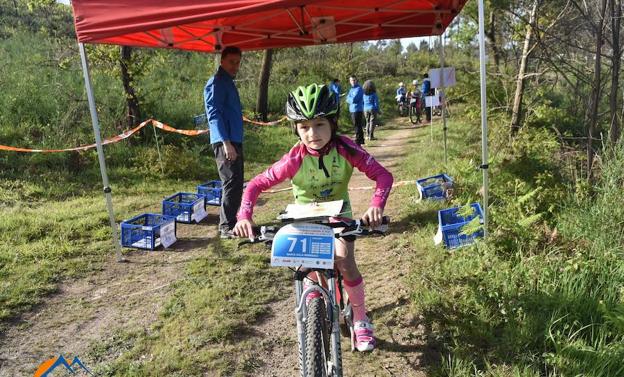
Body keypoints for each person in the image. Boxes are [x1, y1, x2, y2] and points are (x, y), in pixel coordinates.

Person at [233, 83, 394, 352]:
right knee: (309, 273)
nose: (312, 133)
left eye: (319, 124)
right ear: (295, 128)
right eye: (304, 126)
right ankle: (315, 310)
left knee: (345, 260)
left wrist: (376, 205)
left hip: (338, 215)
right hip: (303, 218)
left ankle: (360, 319)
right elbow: (255, 185)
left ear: (332, 123)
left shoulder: (346, 148)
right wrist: (244, 216)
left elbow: (383, 176)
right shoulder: (294, 157)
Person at [204, 46, 244, 239]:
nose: (235, 66)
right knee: (230, 182)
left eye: (237, 62)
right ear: (222, 61)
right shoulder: (216, 82)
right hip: (225, 142)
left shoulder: (228, 82)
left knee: (236, 183)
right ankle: (226, 226)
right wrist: (226, 143)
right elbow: (214, 115)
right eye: (231, 62)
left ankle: (233, 221)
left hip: (234, 140)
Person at [345, 75, 365, 145]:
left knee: (357, 125)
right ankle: (361, 139)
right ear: (350, 81)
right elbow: (347, 98)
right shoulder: (351, 89)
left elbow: (354, 100)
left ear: (356, 80)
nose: (353, 82)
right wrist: (349, 99)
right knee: (357, 125)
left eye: (354, 80)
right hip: (352, 109)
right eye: (351, 80)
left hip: (357, 109)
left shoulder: (359, 89)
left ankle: (358, 140)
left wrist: (349, 99)